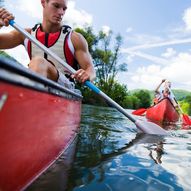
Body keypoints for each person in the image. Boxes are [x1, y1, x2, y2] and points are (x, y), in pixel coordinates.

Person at [0, 0, 96, 87]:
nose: (61, 12)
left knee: (38, 62)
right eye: (56, 6)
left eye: (64, 9)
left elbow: (90, 69)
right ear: (43, 2)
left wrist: (87, 74)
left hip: (65, 88)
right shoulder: (25, 34)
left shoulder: (75, 38)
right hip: (35, 79)